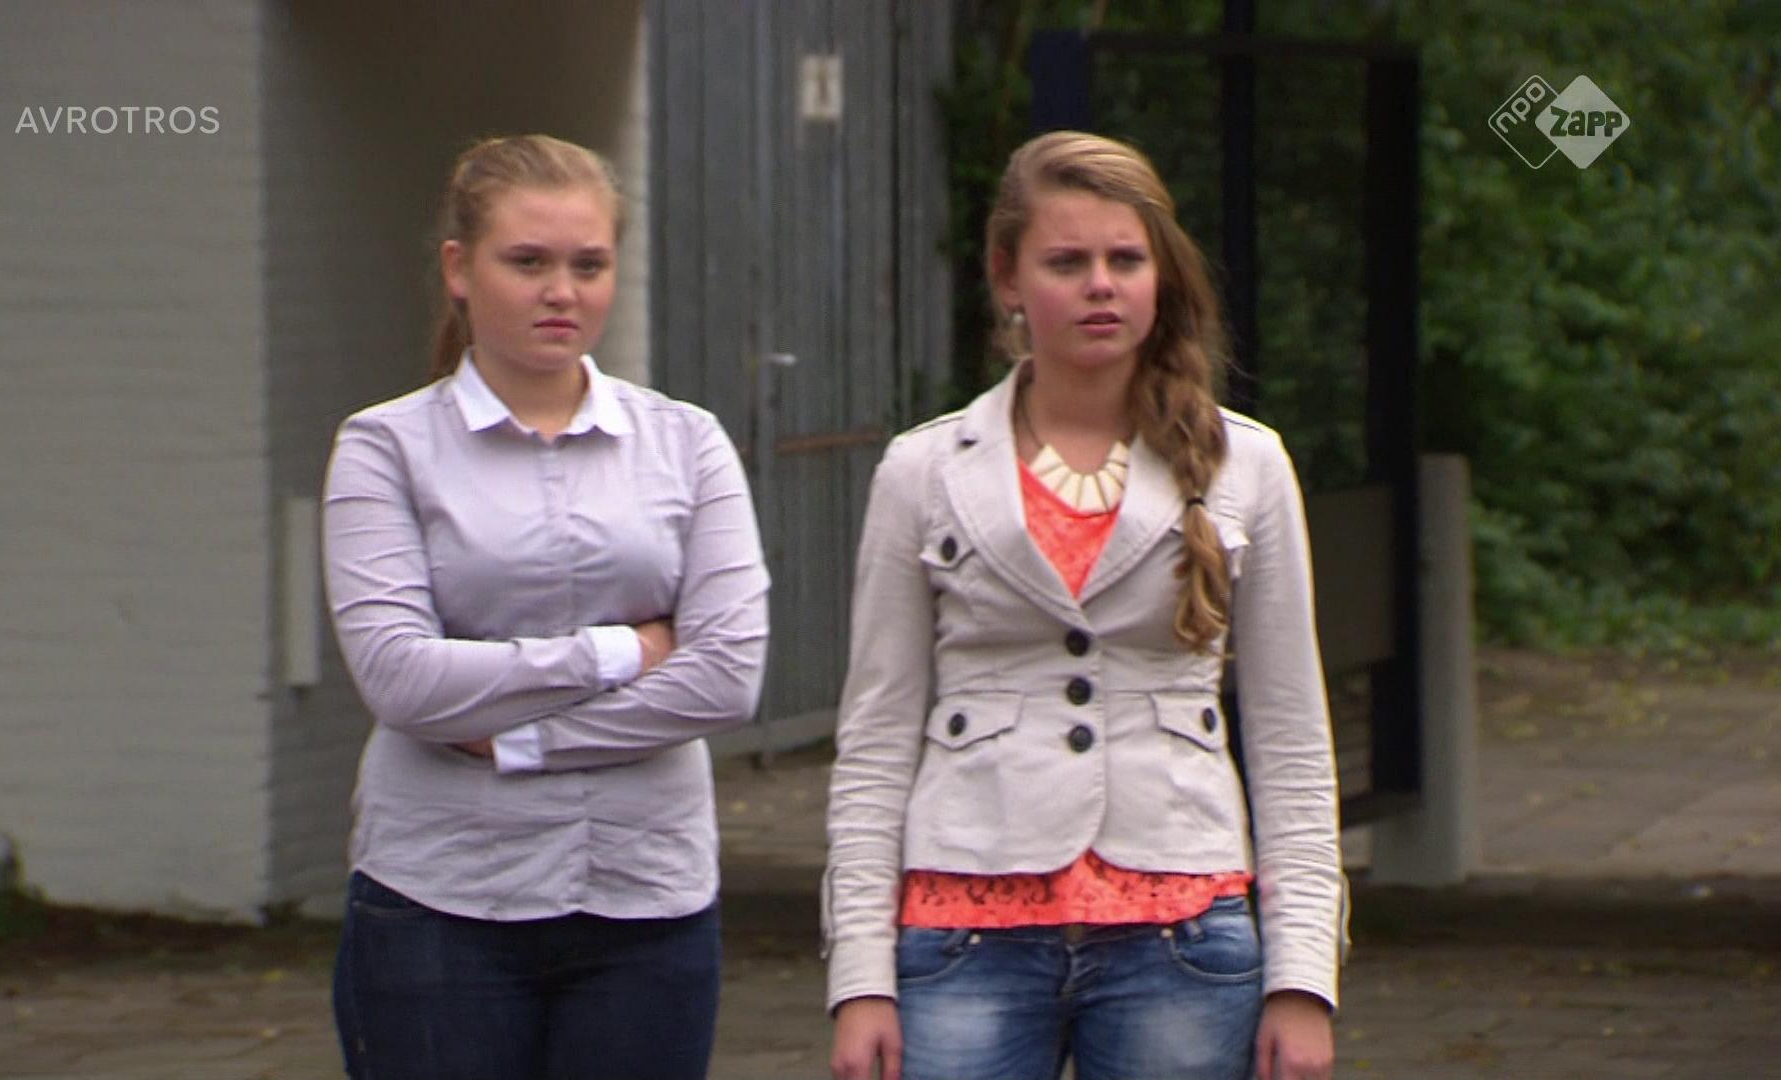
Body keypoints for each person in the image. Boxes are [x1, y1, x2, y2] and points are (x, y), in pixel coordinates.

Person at [825, 130, 1345, 1080]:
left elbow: (1292, 740)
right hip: (963, 929)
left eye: (1126, 260)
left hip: (1182, 931)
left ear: (1161, 274)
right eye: (1067, 262)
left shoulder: (1248, 464)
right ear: (1008, 278)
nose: (1100, 285)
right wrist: (860, 976)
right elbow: (875, 738)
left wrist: (1304, 978)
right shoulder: (924, 470)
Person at [321, 134, 770, 1080]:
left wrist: (521, 740)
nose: (561, 291)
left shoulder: (687, 442)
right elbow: (401, 679)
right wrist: (623, 652)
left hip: (646, 898)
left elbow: (727, 679)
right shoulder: (384, 448)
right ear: (460, 269)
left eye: (588, 265)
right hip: (440, 901)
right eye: (527, 262)